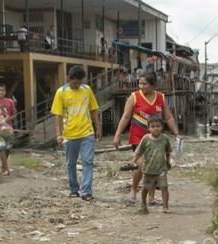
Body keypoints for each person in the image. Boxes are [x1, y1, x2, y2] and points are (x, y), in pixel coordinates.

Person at [112, 68, 181, 203]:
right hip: (138, 138)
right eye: (140, 83)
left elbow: (169, 117)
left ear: (153, 84)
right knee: (142, 165)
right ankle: (133, 190)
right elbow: (125, 117)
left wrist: (177, 133)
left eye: (145, 84)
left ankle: (151, 197)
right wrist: (117, 134)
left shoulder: (160, 97)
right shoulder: (134, 97)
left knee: (153, 165)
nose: (141, 86)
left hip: (156, 139)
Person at [52, 65, 101, 201]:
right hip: (69, 134)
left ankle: (86, 191)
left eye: (79, 82)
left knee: (88, 162)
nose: (77, 85)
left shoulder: (87, 90)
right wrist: (58, 134)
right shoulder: (61, 92)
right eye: (75, 82)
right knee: (71, 163)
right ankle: (74, 188)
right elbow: (57, 115)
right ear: (69, 78)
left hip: (87, 132)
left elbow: (93, 109)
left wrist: (98, 127)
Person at [133, 114, 172, 214]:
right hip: (148, 168)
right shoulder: (146, 139)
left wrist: (167, 162)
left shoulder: (165, 139)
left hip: (161, 168)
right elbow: (139, 152)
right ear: (148, 128)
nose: (155, 128)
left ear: (162, 127)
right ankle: (143, 204)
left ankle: (165, 206)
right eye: (153, 126)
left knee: (164, 187)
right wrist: (135, 161)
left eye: (158, 126)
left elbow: (168, 152)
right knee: (146, 188)